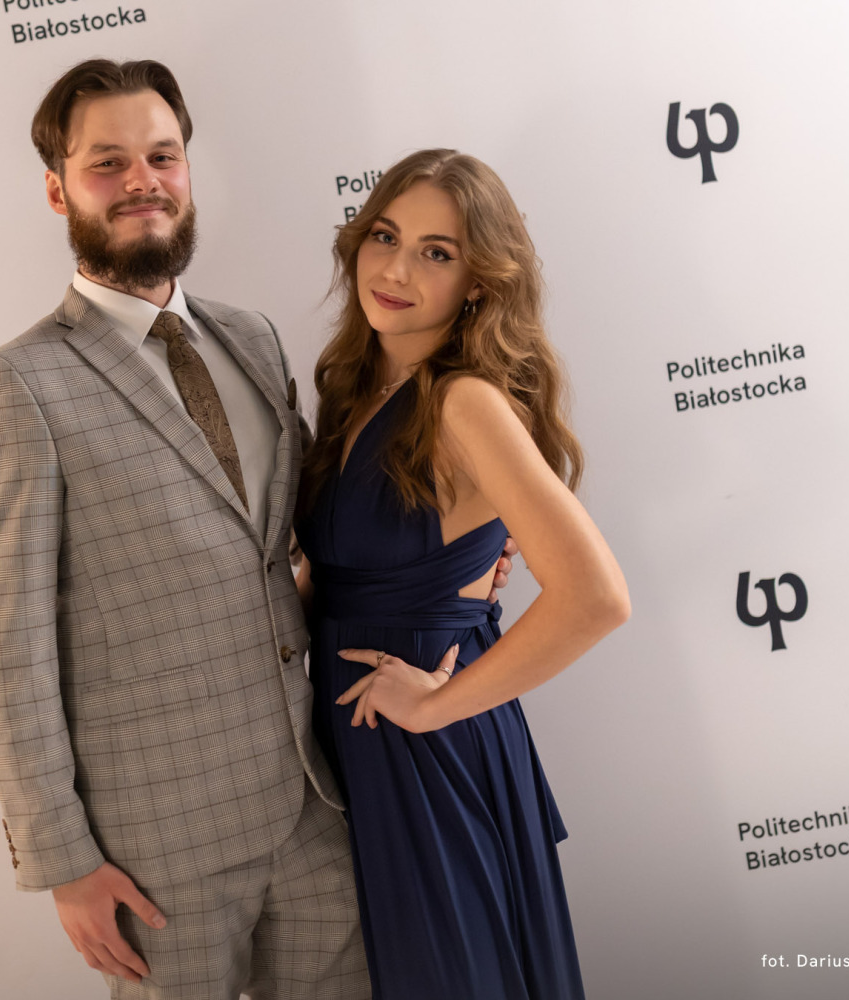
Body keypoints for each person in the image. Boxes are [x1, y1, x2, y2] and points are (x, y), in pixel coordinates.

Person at [0, 58, 381, 999]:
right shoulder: (17, 387)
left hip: (315, 807)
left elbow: (308, 534)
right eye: (107, 163)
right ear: (58, 189)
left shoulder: (252, 338)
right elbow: (4, 644)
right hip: (153, 857)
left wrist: (453, 553)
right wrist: (64, 861)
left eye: (162, 155)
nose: (142, 180)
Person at [295, 149, 632, 999]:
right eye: (385, 237)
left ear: (478, 282)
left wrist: (435, 705)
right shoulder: (358, 388)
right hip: (362, 746)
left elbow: (596, 597)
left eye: (436, 253)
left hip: (428, 749)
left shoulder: (463, 403)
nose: (396, 270)